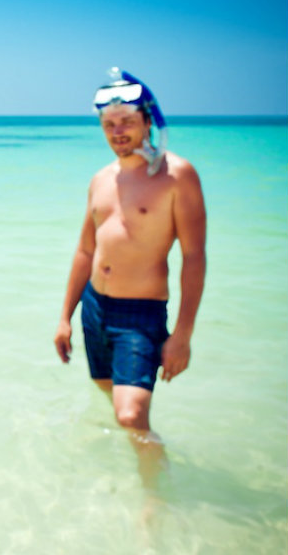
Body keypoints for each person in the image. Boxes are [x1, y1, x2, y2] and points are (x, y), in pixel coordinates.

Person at [53, 69, 206, 483]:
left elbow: (194, 257)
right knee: (108, 394)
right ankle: (124, 472)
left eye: (127, 122)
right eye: (109, 125)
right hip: (95, 307)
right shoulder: (101, 179)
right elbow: (86, 250)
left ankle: (154, 498)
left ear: (148, 122)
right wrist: (66, 316)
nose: (117, 131)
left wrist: (183, 335)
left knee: (131, 413)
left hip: (141, 312)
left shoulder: (177, 175)